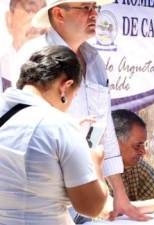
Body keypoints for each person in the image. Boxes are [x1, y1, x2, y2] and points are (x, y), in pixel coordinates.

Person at [14, 0, 149, 221]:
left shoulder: (95, 60)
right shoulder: (32, 56)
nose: (94, 14)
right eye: (86, 8)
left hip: (88, 192)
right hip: (45, 198)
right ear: (59, 14)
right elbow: (23, 129)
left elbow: (104, 130)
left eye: (96, 8)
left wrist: (120, 194)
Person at [0, 45, 108, 225]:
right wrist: (95, 163)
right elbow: (91, 207)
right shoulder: (60, 126)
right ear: (66, 87)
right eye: (74, 96)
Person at [1, 0, 46, 90]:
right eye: (30, 10)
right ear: (9, 19)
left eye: (43, 13)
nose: (39, 26)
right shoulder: (3, 72)